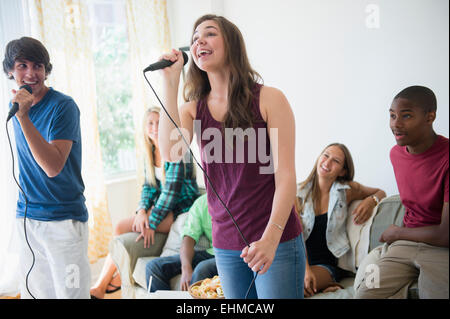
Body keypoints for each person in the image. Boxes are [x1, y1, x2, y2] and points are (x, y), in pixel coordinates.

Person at [157, 14, 305, 299]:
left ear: (232, 44)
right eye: (194, 37)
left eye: (209, 33)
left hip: (276, 239)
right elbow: (170, 154)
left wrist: (271, 239)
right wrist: (170, 82)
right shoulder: (192, 110)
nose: (199, 40)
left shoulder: (269, 99)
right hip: (226, 244)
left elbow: (286, 176)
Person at [3, 37, 90, 298]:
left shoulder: (63, 106)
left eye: (37, 66)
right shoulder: (19, 107)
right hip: (28, 218)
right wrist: (22, 113)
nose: (31, 74)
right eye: (22, 66)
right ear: (10, 71)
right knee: (36, 293)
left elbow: (52, 166)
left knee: (71, 294)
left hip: (63, 221)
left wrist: (24, 118)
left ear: (46, 70)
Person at [90, 107, 200, 299]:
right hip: (163, 209)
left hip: (181, 208)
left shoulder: (177, 148)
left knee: (123, 226)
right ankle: (104, 284)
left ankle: (104, 284)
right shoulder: (149, 153)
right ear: (144, 128)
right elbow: (148, 187)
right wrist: (141, 211)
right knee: (121, 227)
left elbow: (172, 192)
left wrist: (152, 221)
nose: (155, 127)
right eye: (150, 123)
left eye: (159, 122)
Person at [355, 86, 449, 299]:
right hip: (403, 247)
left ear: (430, 116)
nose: (396, 124)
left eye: (406, 116)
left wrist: (397, 233)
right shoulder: (396, 154)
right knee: (364, 293)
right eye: (392, 115)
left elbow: (446, 234)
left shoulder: (447, 157)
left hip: (441, 249)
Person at [296, 143, 386, 297]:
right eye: (326, 155)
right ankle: (327, 287)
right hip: (298, 263)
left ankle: (330, 282)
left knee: (295, 286)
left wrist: (371, 201)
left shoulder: (346, 192)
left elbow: (380, 192)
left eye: (336, 161)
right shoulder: (297, 194)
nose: (327, 162)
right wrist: (305, 270)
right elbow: (296, 235)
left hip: (324, 265)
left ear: (343, 171)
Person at [145, 193, 217, 292]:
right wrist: (186, 268)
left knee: (202, 269)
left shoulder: (240, 200)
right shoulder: (202, 202)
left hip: (234, 255)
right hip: (212, 252)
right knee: (154, 267)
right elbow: (188, 238)